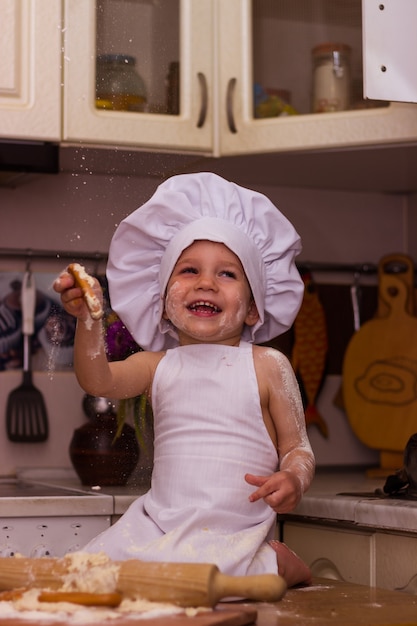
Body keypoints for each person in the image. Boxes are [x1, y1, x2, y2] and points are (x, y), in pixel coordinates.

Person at [54, 172, 315, 588]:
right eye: (189, 270)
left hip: (234, 532)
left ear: (253, 308)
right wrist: (90, 319)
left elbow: (297, 447)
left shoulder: (267, 364)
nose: (206, 283)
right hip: (160, 523)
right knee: (94, 574)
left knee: (212, 576)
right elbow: (98, 381)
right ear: (162, 299)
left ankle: (281, 563)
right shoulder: (158, 365)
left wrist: (293, 478)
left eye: (227, 274)